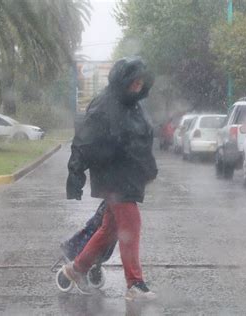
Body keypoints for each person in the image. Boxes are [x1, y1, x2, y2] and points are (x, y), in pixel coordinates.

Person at [60, 57, 158, 301]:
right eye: (133, 82)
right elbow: (84, 140)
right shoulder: (105, 105)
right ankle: (134, 283)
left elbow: (142, 139)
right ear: (123, 81)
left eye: (141, 83)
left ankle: (76, 269)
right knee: (131, 224)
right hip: (113, 178)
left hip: (129, 176)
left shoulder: (134, 105)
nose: (137, 87)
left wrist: (148, 167)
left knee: (110, 229)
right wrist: (76, 172)